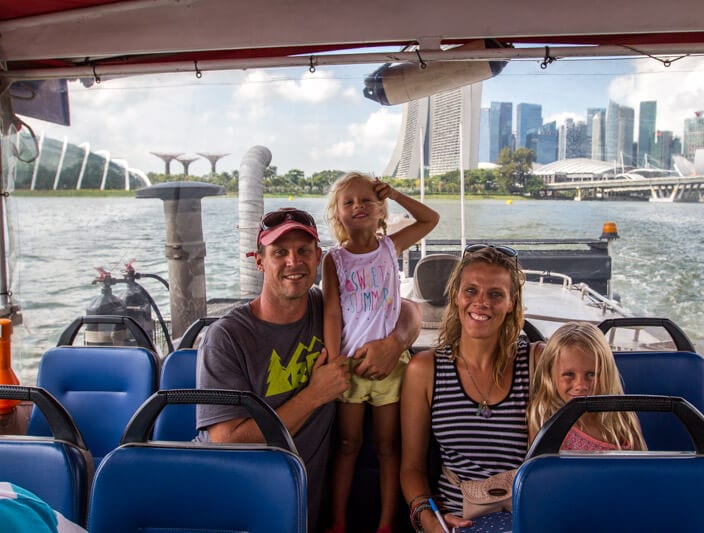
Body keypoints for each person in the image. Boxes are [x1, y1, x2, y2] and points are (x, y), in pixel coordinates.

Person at [196, 207, 421, 533]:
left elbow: (410, 309)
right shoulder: (227, 337)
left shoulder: (328, 310)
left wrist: (396, 342)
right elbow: (226, 442)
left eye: (303, 251)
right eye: (279, 253)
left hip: (303, 508)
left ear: (318, 258)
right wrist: (315, 395)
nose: (293, 261)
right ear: (259, 261)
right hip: (233, 501)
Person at [322, 172, 439, 533]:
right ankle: (339, 521)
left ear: (380, 210)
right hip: (350, 367)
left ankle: (387, 523)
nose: (359, 206)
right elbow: (330, 312)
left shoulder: (390, 247)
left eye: (367, 200)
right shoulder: (334, 260)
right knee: (347, 444)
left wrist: (397, 193)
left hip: (393, 370)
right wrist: (332, 361)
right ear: (337, 214)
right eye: (349, 202)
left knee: (389, 447)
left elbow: (429, 219)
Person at [400, 244, 532, 532]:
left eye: (496, 294)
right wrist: (427, 518)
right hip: (456, 521)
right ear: (457, 296)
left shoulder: (537, 361)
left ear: (511, 303)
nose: (481, 302)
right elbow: (412, 468)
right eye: (470, 291)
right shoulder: (424, 370)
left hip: (529, 515)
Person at [528, 321, 646, 451]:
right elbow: (541, 468)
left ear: (607, 374)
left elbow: (641, 465)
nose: (581, 385)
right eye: (569, 374)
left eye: (591, 374)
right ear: (551, 375)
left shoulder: (622, 417)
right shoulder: (543, 418)